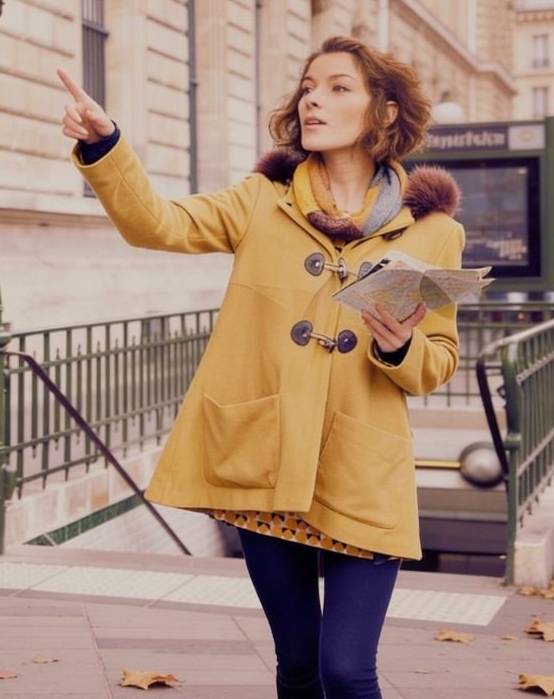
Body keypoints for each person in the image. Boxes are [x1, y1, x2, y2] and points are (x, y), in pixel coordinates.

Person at [58, 36, 462, 699]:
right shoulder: (260, 201)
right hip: (267, 462)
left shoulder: (435, 232)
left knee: (346, 669)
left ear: (385, 111)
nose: (313, 100)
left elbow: (437, 361)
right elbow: (156, 223)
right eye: (308, 88)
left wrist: (399, 347)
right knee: (298, 664)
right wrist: (106, 145)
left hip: (363, 470)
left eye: (337, 87)